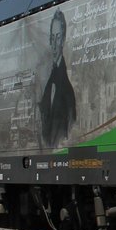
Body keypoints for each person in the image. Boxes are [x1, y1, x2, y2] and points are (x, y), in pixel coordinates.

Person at [39, 10, 76, 146]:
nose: (54, 44)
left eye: (58, 37)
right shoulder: (49, 83)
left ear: (63, 40)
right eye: (52, 37)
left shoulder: (68, 92)